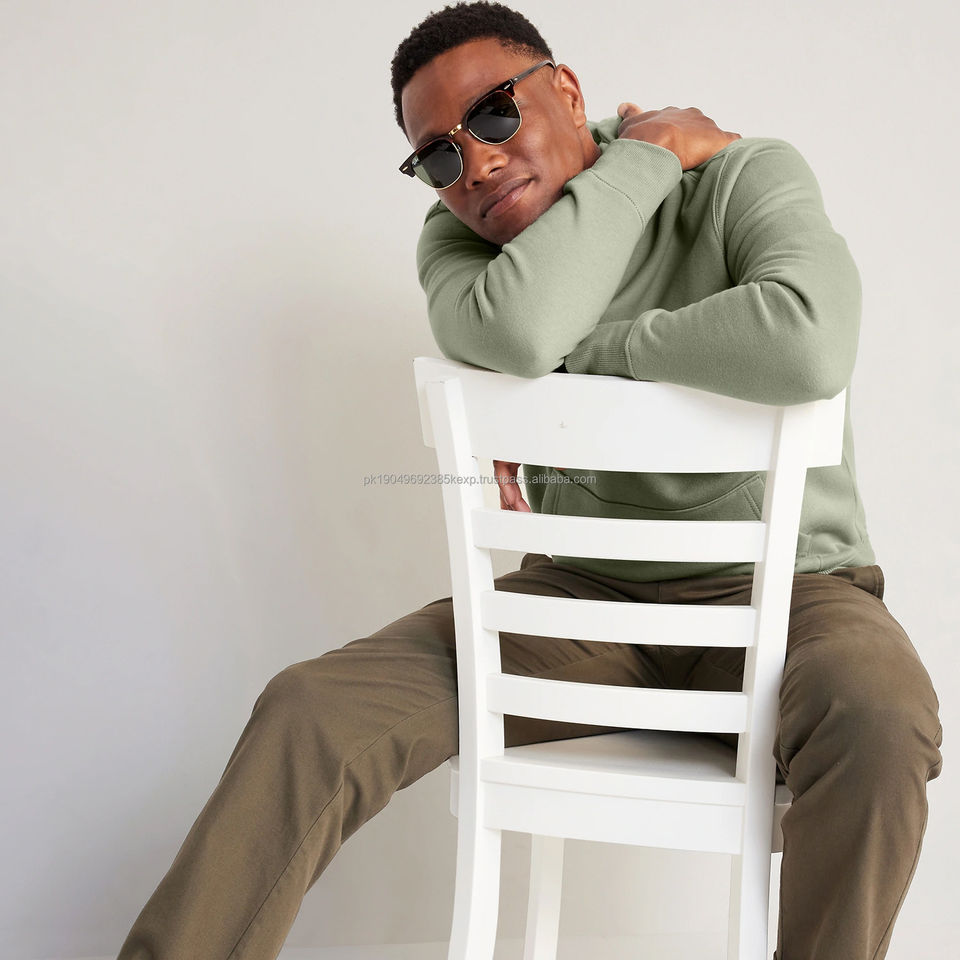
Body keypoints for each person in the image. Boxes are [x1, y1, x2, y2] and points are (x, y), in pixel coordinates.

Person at [116, 3, 943, 959]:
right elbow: (519, 332)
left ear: (569, 93)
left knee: (880, 718)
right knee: (310, 709)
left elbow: (808, 343)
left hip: (794, 595)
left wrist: (587, 354)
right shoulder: (459, 245)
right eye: (437, 156)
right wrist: (643, 159)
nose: (474, 165)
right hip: (581, 602)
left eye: (494, 114)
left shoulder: (739, 176)